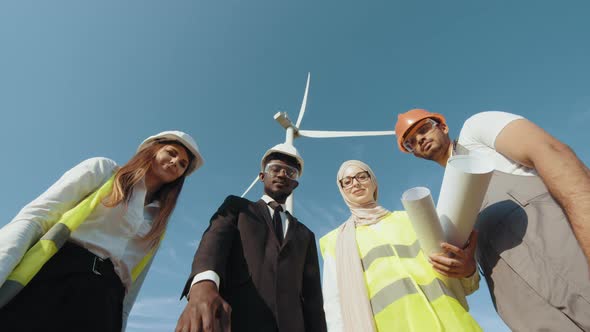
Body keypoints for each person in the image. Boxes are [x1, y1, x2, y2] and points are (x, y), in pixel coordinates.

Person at [395, 109, 590, 330]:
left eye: (423, 129)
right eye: (411, 142)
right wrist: (467, 269)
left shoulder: (476, 132)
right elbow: (469, 278)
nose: (419, 139)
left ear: (443, 126)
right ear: (415, 154)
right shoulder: (447, 211)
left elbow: (554, 153)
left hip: (575, 266)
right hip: (532, 315)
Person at [0, 130, 203, 332]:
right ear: (154, 149)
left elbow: (132, 288)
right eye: (171, 152)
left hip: (106, 304)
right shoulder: (104, 171)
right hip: (57, 278)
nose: (176, 162)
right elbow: (38, 216)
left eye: (183, 164)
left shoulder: (158, 224)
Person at [175, 143, 327, 332]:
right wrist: (203, 285)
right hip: (239, 320)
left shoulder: (306, 235)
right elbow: (213, 243)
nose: (282, 174)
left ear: (295, 184)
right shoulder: (237, 208)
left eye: (290, 173)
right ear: (262, 176)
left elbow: (313, 298)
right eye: (275, 169)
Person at [320, 160, 481, 332]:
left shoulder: (413, 218)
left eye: (361, 176)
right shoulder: (335, 242)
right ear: (342, 190)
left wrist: (469, 271)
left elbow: (466, 282)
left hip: (452, 322)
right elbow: (334, 306)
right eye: (347, 181)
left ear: (373, 181)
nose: (356, 183)